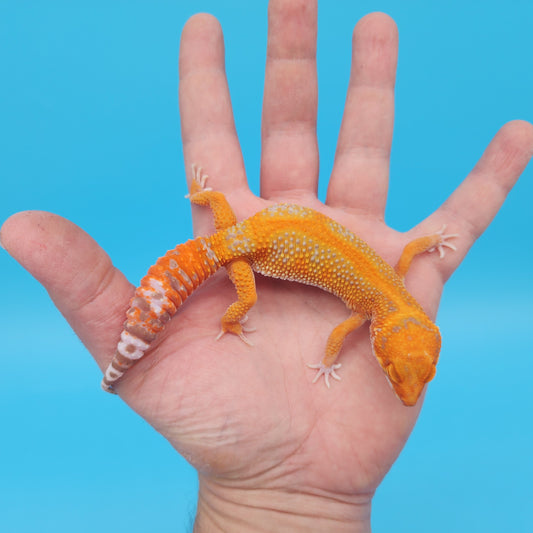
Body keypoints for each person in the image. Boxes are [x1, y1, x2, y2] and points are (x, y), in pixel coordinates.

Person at [1, 1, 532, 531]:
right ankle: (228, 321)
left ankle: (207, 208)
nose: (406, 385)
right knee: (247, 299)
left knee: (227, 250)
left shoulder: (392, 288)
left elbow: (411, 252)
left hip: (239, 230)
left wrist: (208, 197)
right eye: (402, 371)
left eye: (410, 373)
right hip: (244, 252)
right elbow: (341, 333)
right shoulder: (377, 306)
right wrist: (322, 363)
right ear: (405, 337)